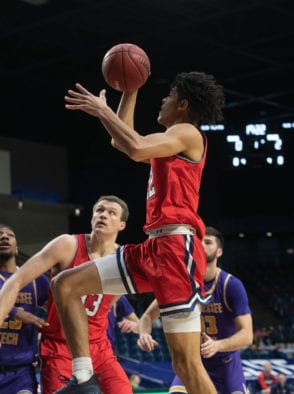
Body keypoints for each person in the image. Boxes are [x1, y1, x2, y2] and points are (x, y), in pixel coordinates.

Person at [53, 71, 225, 393]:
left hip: (177, 249)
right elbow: (122, 140)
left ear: (183, 105)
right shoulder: (169, 140)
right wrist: (128, 92)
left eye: (169, 95)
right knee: (65, 284)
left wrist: (102, 110)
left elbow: (134, 146)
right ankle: (83, 378)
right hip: (152, 248)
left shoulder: (188, 132)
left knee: (185, 364)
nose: (163, 100)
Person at [0, 196, 133, 394]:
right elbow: (16, 281)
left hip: (99, 349)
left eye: (111, 212)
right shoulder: (67, 245)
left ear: (122, 225)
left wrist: (145, 322)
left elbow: (109, 305)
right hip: (60, 349)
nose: (103, 215)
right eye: (99, 210)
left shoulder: (124, 260)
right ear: (91, 218)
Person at [137, 226, 253, 394]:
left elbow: (247, 335)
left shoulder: (231, 285)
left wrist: (217, 345)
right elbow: (147, 317)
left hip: (225, 364)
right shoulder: (180, 284)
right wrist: (144, 334)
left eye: (208, 242)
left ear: (219, 252)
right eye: (199, 242)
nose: (202, 245)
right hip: (191, 362)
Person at [0, 224, 50, 394]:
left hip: (21, 372)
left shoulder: (36, 280)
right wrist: (14, 312)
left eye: (10, 235)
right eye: (0, 235)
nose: (4, 237)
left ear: (17, 249)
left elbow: (57, 314)